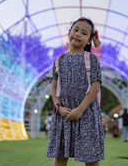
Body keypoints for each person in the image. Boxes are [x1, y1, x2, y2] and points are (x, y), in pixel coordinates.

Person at [47, 17, 104, 166]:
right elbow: (54, 88)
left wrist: (80, 109)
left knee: (91, 159)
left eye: (84, 33)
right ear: (69, 32)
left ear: (90, 39)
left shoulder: (91, 60)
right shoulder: (59, 60)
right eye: (76, 30)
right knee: (59, 158)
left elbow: (95, 86)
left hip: (87, 115)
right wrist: (59, 107)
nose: (78, 34)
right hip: (63, 115)